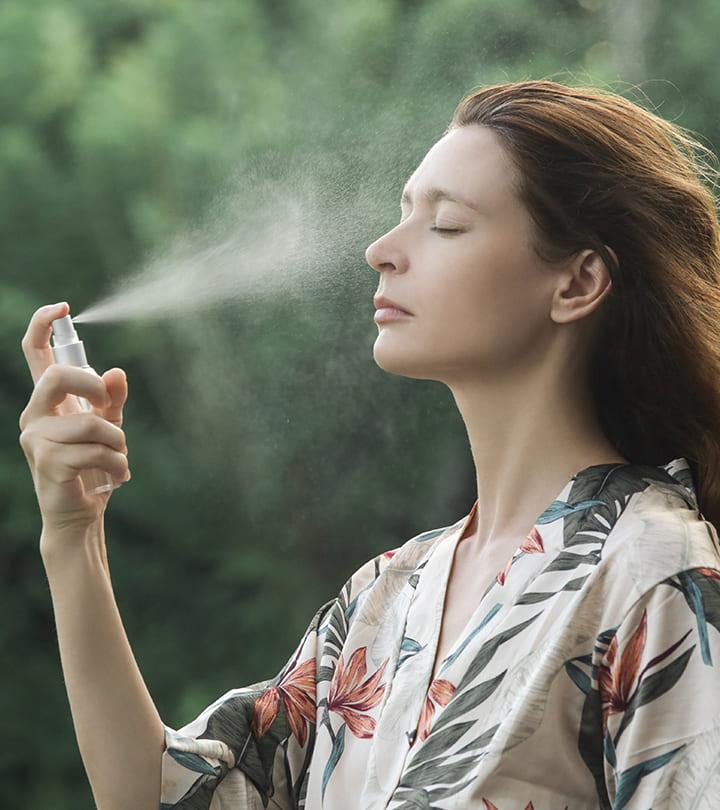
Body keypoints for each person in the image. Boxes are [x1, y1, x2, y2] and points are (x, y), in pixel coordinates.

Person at [19, 79, 720, 810]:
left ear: (578, 282)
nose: (381, 251)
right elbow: (156, 796)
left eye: (445, 225)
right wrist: (74, 538)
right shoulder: (384, 598)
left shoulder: (654, 575)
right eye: (401, 214)